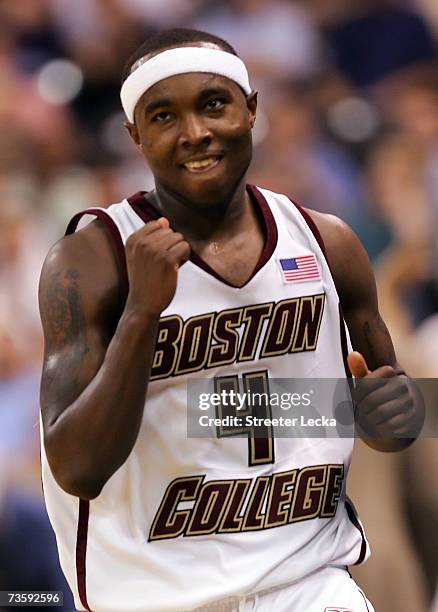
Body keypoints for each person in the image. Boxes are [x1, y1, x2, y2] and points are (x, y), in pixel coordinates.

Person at [38, 28, 423, 612]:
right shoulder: (93, 260)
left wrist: (393, 408)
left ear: (251, 109)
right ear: (134, 135)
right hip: (157, 597)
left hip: (310, 585)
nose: (195, 133)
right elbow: (78, 468)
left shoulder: (327, 242)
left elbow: (390, 421)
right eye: (164, 116)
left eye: (213, 104)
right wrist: (143, 312)